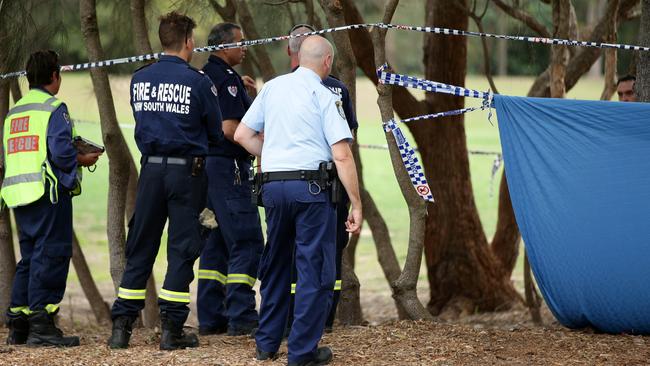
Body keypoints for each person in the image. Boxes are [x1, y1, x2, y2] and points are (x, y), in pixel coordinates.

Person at [235, 36, 362, 366]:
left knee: (275, 264)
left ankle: (266, 344)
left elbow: (242, 136)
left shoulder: (273, 88)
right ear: (327, 61)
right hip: (311, 191)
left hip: (273, 189)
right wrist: (356, 204)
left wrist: (277, 155)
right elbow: (342, 155)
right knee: (313, 270)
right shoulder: (324, 94)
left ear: (297, 57)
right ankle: (303, 353)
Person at [107, 12, 223, 350]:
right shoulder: (198, 81)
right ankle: (172, 330)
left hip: (151, 171)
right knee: (182, 249)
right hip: (187, 173)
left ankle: (121, 328)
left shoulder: (139, 78)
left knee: (140, 245)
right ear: (188, 41)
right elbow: (215, 133)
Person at [1, 50, 101, 347]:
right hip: (48, 193)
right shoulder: (54, 108)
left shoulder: (15, 111)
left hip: (19, 194)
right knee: (51, 255)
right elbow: (59, 153)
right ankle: (42, 326)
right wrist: (81, 158)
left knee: (29, 258)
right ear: (54, 76)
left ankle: (18, 324)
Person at [286, 23, 359, 335]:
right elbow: (347, 140)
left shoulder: (281, 87)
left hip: (303, 181)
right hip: (326, 179)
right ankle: (319, 319)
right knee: (327, 248)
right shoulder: (331, 88)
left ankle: (298, 320)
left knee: (304, 248)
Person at [196, 22, 264, 337]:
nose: (245, 47)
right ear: (224, 46)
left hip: (207, 172)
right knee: (247, 239)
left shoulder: (205, 76)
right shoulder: (226, 80)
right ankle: (243, 316)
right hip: (229, 170)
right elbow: (229, 128)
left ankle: (211, 317)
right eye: (241, 42)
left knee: (216, 242)